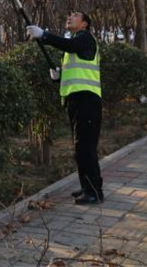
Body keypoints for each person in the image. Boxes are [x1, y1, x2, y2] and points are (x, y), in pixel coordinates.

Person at [27, 11, 103, 205]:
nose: (69, 17)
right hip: (77, 100)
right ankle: (87, 187)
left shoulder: (85, 38)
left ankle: (93, 192)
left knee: (85, 148)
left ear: (84, 24)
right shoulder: (76, 43)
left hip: (87, 100)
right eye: (69, 15)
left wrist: (44, 35)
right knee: (80, 148)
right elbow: (75, 67)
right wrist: (59, 75)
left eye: (75, 15)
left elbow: (70, 45)